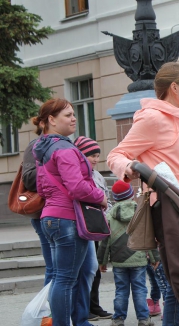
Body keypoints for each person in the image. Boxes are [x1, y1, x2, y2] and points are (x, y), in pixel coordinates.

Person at [107, 62, 179, 325]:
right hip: (172, 211)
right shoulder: (153, 118)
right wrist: (132, 168)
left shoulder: (178, 119)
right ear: (174, 87)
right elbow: (117, 155)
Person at [32, 98, 107, 326]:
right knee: (65, 279)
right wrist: (100, 197)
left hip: (51, 217)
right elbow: (76, 187)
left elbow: (41, 187)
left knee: (61, 277)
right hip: (67, 219)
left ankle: (75, 321)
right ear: (51, 121)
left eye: (74, 114)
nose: (74, 118)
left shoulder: (43, 148)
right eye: (67, 115)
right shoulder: (64, 149)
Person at [97, 180, 158, 326]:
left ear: (115, 198)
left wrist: (102, 261)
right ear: (131, 195)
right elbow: (148, 235)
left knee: (121, 290)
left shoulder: (110, 215)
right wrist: (155, 257)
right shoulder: (141, 212)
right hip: (139, 257)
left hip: (119, 260)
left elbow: (104, 242)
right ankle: (143, 318)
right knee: (140, 289)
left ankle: (118, 319)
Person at [74, 136, 114, 320]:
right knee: (85, 270)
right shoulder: (78, 174)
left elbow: (106, 197)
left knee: (95, 270)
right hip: (83, 226)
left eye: (97, 155)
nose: (96, 159)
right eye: (91, 155)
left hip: (97, 226)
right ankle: (83, 308)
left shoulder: (97, 175)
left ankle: (94, 305)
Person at [21, 131, 53, 286]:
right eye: (67, 116)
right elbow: (28, 178)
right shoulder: (36, 145)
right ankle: (46, 309)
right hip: (43, 214)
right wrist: (52, 166)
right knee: (54, 268)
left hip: (66, 213)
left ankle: (83, 308)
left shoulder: (65, 145)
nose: (73, 119)